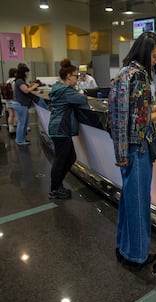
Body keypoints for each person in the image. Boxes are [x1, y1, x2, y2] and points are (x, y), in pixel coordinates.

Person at [108, 32, 156, 268]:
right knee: (139, 202)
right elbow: (141, 118)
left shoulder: (125, 72)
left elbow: (136, 109)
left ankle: (124, 247)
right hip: (138, 147)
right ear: (145, 52)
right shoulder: (139, 76)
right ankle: (136, 256)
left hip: (125, 147)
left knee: (129, 201)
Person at [48, 59, 89, 199]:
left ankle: (58, 185)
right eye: (76, 76)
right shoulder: (65, 91)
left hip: (59, 128)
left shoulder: (59, 88)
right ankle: (54, 189)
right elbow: (82, 100)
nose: (77, 79)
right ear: (69, 76)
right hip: (60, 128)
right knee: (61, 160)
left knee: (70, 157)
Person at [12, 64, 39, 145]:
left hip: (22, 104)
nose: (27, 74)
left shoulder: (21, 81)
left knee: (25, 122)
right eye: (27, 72)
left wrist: (35, 92)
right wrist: (34, 86)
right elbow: (26, 91)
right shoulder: (19, 81)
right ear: (23, 72)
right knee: (22, 123)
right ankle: (19, 140)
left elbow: (27, 91)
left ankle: (22, 139)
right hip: (21, 104)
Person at [4, 68, 18, 134]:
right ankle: (17, 127)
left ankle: (10, 128)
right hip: (14, 99)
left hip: (8, 100)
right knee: (16, 114)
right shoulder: (15, 81)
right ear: (15, 73)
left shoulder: (7, 81)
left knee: (10, 114)